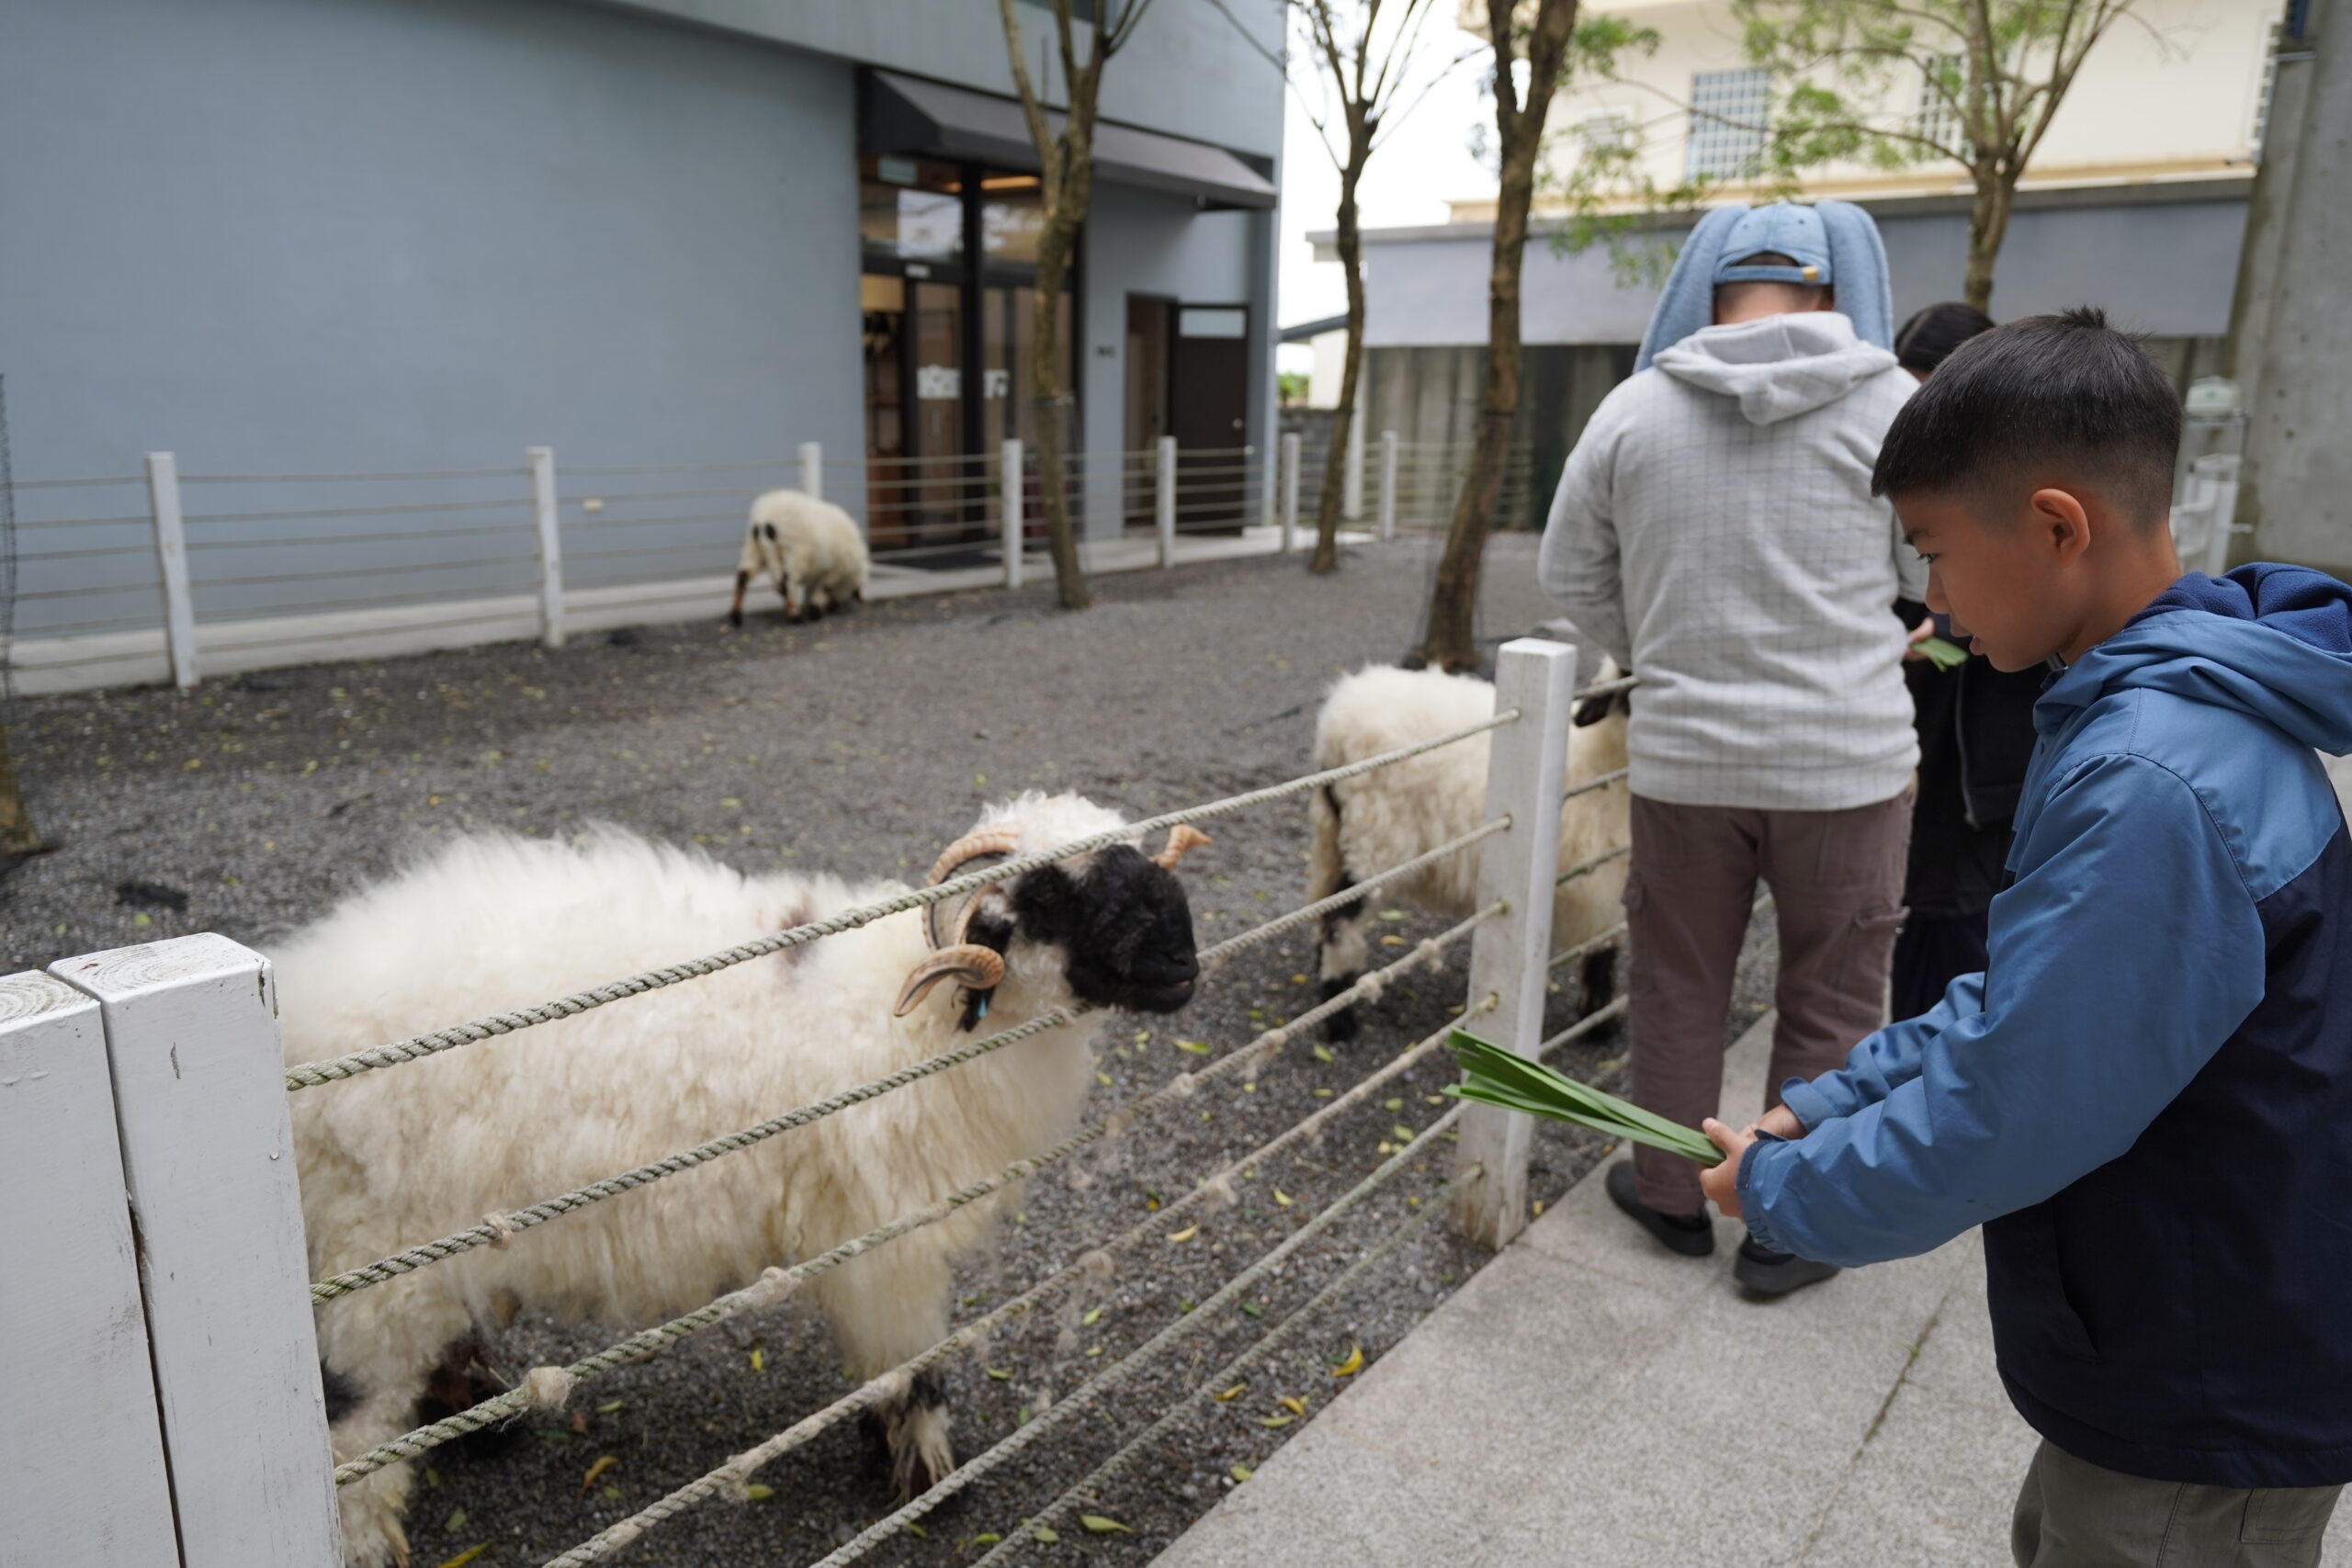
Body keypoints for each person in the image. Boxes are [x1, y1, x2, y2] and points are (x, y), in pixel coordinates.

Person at [1703, 309, 2352, 1566]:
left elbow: (2022, 1097)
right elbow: (2038, 992)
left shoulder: (2156, 774)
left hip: (2206, 1374)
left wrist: (1789, 1191)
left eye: (1937, 551)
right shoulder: (2157, 703)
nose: (1930, 595)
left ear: (2058, 525)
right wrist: (1832, 1097)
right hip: (2184, 1319)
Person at [1539, 199, 1922, 1296]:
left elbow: (1567, 575)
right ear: (1835, 282)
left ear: (1700, 289)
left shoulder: (1631, 410)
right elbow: (1928, 570)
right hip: (1847, 765)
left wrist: (1659, 645)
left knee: (1678, 987)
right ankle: (1789, 1230)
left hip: (1685, 763)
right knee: (1836, 999)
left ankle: (1668, 1195)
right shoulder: (1895, 407)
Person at [1885, 302, 2049, 1018]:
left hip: (1990, 786)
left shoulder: (2014, 496)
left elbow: (2018, 632)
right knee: (1920, 948)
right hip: (1926, 770)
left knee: (1969, 967)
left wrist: (1945, 634)